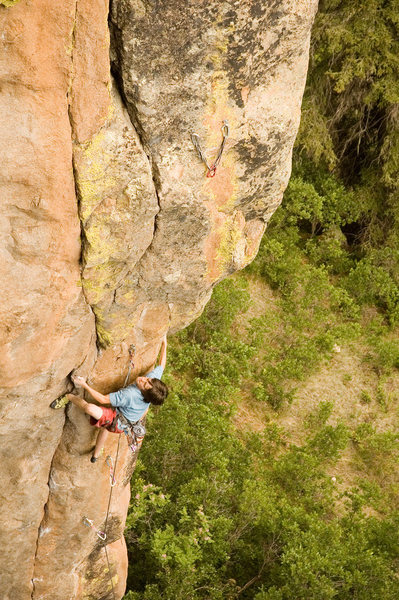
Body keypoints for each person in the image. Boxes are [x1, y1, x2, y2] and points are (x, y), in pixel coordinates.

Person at [51, 335, 168, 462]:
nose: (143, 379)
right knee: (107, 427)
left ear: (145, 394)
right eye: (148, 379)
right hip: (128, 418)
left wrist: (84, 384)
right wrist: (164, 344)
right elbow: (161, 365)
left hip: (118, 421)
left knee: (90, 409)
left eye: (144, 384)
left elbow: (103, 400)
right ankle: (96, 455)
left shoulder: (130, 394)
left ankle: (69, 397)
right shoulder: (153, 386)